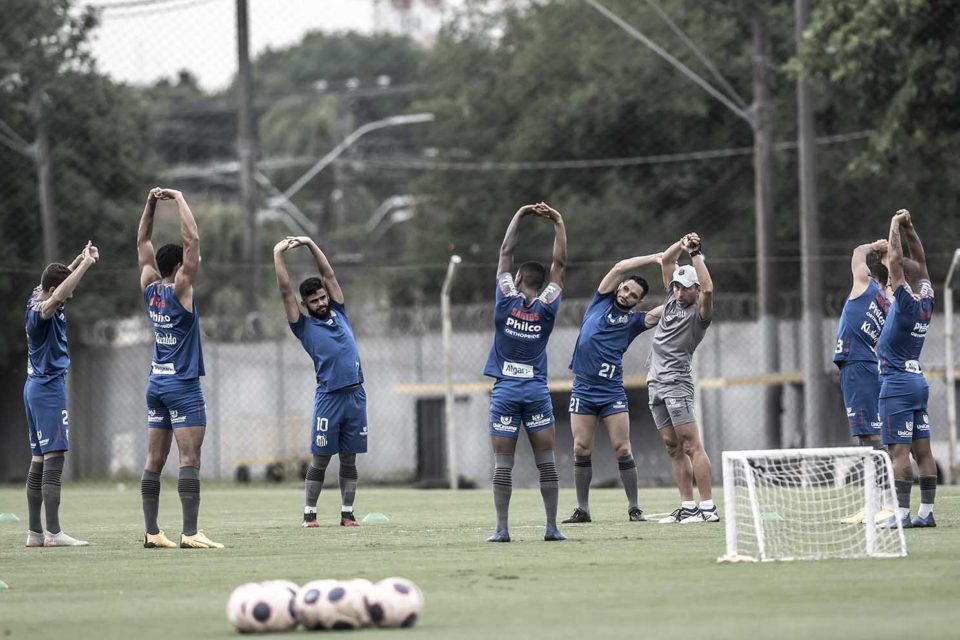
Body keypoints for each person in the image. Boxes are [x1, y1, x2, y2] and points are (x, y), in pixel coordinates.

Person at [137, 187, 222, 549]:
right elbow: (194, 239)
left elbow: (142, 239)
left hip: (156, 382)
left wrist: (151, 203)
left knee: (154, 459)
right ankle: (190, 533)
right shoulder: (180, 289)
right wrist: (179, 197)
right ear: (179, 268)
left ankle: (152, 532)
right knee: (190, 457)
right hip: (183, 386)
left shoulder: (149, 286)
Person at [483, 203, 566, 543]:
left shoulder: (505, 299)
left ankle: (502, 529)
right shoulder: (548, 305)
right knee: (545, 461)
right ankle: (551, 528)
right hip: (535, 392)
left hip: (505, 392)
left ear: (518, 279)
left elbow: (506, 252)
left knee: (504, 464)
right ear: (542, 283)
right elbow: (559, 265)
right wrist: (557, 222)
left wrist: (518, 214)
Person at [561, 252, 662, 524]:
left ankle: (634, 508)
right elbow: (619, 266)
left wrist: (685, 289)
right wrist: (656, 258)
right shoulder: (600, 302)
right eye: (626, 288)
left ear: (639, 302)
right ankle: (582, 509)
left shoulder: (634, 322)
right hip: (583, 388)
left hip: (611, 392)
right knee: (581, 448)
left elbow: (664, 310)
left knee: (622, 449)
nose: (627, 294)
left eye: (633, 295)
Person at [274, 235, 367, 528]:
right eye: (314, 301)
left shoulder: (339, 311)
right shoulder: (303, 327)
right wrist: (278, 254)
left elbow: (328, 274)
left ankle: (347, 514)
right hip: (329, 398)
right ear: (306, 304)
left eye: (322, 297)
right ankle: (309, 514)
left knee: (349, 458)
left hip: (356, 396)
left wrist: (311, 243)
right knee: (321, 459)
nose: (321, 302)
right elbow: (286, 291)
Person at [23, 242, 99, 547]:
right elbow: (56, 294)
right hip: (48, 390)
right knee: (54, 459)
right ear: (55, 288)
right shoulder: (44, 309)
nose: (72, 292)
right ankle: (54, 534)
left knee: (38, 459)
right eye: (68, 286)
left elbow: (55, 286)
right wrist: (86, 265)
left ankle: (34, 533)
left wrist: (77, 258)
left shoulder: (34, 296)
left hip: (33, 389)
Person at [648, 233, 718, 524]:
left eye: (685, 288)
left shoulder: (700, 313)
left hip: (676, 381)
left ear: (695, 289)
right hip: (655, 382)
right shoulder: (670, 300)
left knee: (691, 445)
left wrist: (696, 253)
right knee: (672, 447)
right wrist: (681, 242)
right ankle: (688, 507)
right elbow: (665, 260)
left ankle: (708, 508)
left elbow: (710, 289)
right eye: (676, 286)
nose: (678, 292)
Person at [877, 209, 937, 529]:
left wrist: (894, 227)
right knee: (923, 450)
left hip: (897, 383)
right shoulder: (927, 301)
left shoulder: (905, 303)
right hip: (917, 381)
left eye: (893, 278)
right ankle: (926, 513)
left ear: (904, 281)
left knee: (897, 452)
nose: (890, 280)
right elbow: (920, 262)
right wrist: (911, 226)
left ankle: (900, 515)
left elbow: (899, 262)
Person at [834, 238, 890, 447]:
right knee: (873, 427)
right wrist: (886, 254)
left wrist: (873, 247)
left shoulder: (864, 286)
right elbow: (891, 277)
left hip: (854, 361)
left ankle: (882, 478)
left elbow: (858, 252)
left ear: (872, 276)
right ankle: (883, 476)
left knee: (867, 433)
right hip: (869, 362)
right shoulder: (888, 304)